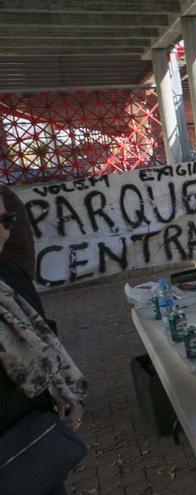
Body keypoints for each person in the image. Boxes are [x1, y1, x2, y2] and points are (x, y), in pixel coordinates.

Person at [0, 194, 87, 495]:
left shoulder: (10, 283)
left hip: (32, 445)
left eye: (6, 220)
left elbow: (41, 349)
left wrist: (62, 397)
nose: (4, 232)